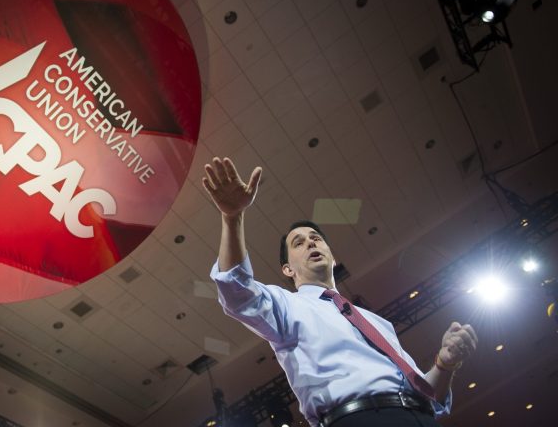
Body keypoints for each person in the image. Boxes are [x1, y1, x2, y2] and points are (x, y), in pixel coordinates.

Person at [202, 157, 477, 427]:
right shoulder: (285, 305)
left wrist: (444, 364)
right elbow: (236, 290)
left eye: (317, 239)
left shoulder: (377, 324)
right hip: (353, 419)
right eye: (299, 243)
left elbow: (430, 397)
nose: (311, 243)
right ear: (288, 269)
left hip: (418, 418)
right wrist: (232, 217)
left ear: (332, 258)